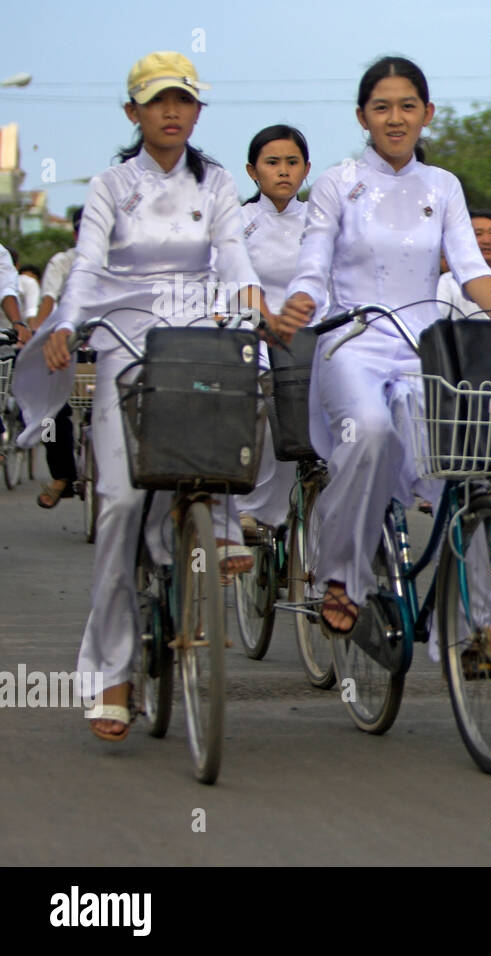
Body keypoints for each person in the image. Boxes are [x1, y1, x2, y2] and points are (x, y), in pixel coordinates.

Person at [14, 51, 275, 742]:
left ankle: (212, 528)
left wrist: (254, 304)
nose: (171, 111)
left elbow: (235, 257)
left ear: (196, 111)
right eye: (157, 101)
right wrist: (67, 323)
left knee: (235, 409)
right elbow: (89, 266)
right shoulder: (110, 186)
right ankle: (113, 672)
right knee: (125, 502)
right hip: (127, 345)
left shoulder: (216, 183)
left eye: (183, 101)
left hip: (194, 341)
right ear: (134, 112)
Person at [279, 56, 491, 639]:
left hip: (424, 351)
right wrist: (301, 298)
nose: (395, 119)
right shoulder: (338, 184)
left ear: (428, 114)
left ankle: (483, 628)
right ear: (362, 117)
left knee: (472, 465)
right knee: (368, 431)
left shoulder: (441, 185)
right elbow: (314, 260)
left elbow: (471, 265)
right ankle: (341, 574)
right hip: (352, 341)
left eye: (407, 106)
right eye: (382, 107)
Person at [227, 124, 312, 535]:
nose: (283, 171)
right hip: (254, 335)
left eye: (292, 162)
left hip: (312, 335)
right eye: (272, 162)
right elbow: (233, 281)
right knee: (270, 400)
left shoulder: (320, 222)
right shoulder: (238, 223)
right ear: (252, 171)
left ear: (306, 169)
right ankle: (255, 508)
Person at [31, 208, 83, 509]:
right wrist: (39, 329)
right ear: (76, 233)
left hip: (112, 347)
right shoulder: (63, 262)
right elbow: (48, 300)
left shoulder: (122, 263)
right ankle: (62, 477)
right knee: (54, 410)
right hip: (68, 348)